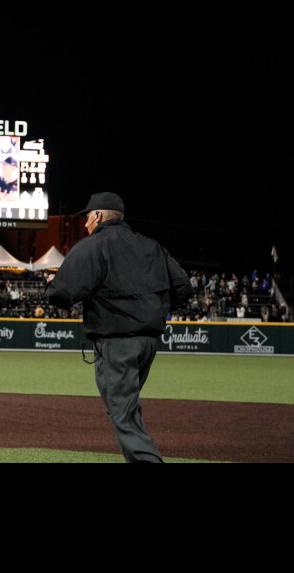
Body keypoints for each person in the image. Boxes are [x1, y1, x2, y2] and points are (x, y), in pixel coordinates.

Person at [45, 192, 191, 463]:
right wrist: (148, 310)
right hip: (148, 342)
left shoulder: (94, 245)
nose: (86, 223)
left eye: (88, 216)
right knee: (124, 409)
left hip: (117, 343)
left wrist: (52, 282)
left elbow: (62, 295)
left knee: (122, 412)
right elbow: (183, 287)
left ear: (98, 215)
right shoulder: (151, 246)